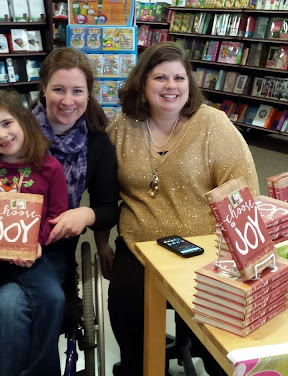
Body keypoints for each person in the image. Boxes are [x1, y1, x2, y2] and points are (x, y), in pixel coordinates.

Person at [0, 47, 119, 376]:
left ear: (88, 94)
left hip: (45, 248)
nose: (68, 100)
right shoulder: (0, 137)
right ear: (42, 90)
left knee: (14, 307)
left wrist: (82, 219)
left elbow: (103, 208)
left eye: (77, 91)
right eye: (58, 89)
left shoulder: (84, 149)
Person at [106, 41, 259, 375]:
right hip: (140, 246)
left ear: (189, 85)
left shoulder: (213, 125)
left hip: (205, 246)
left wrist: (236, 253)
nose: (170, 86)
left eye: (179, 78)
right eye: (160, 77)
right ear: (143, 84)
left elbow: (242, 190)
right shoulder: (123, 127)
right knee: (126, 309)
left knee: (213, 331)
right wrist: (103, 239)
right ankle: (141, 366)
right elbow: (103, 188)